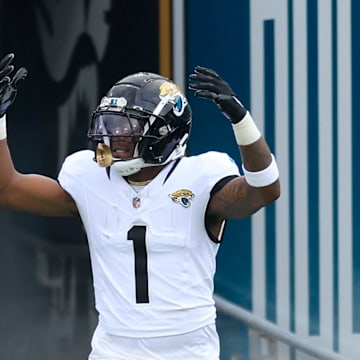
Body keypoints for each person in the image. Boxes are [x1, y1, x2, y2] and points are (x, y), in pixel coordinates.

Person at [0, 52, 280, 359]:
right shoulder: (90, 177)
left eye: (127, 127)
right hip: (113, 348)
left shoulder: (199, 177)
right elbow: (8, 189)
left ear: (163, 133)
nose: (113, 136)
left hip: (186, 350)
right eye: (110, 123)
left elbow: (264, 189)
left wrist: (241, 121)